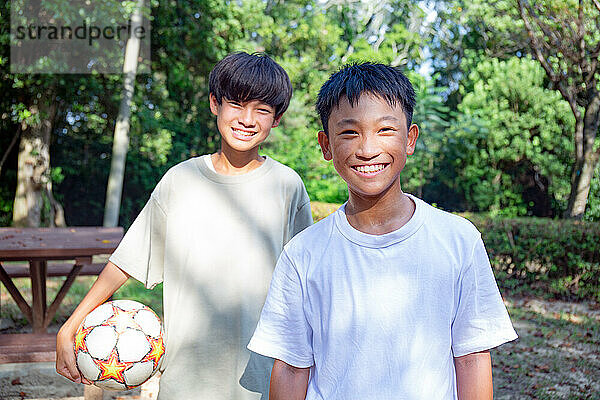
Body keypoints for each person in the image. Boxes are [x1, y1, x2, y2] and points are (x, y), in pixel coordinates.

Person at [247, 63, 518, 400]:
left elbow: (472, 358)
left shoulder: (458, 240)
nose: (367, 149)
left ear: (410, 139)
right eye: (349, 132)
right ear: (326, 145)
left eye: (385, 130)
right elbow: (290, 367)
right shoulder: (303, 254)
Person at [56, 51, 313, 399]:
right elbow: (127, 261)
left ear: (276, 119)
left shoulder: (287, 185)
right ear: (214, 104)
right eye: (236, 104)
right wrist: (70, 326)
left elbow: (306, 286)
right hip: (186, 382)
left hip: (263, 381)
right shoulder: (180, 181)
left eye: (262, 109)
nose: (247, 119)